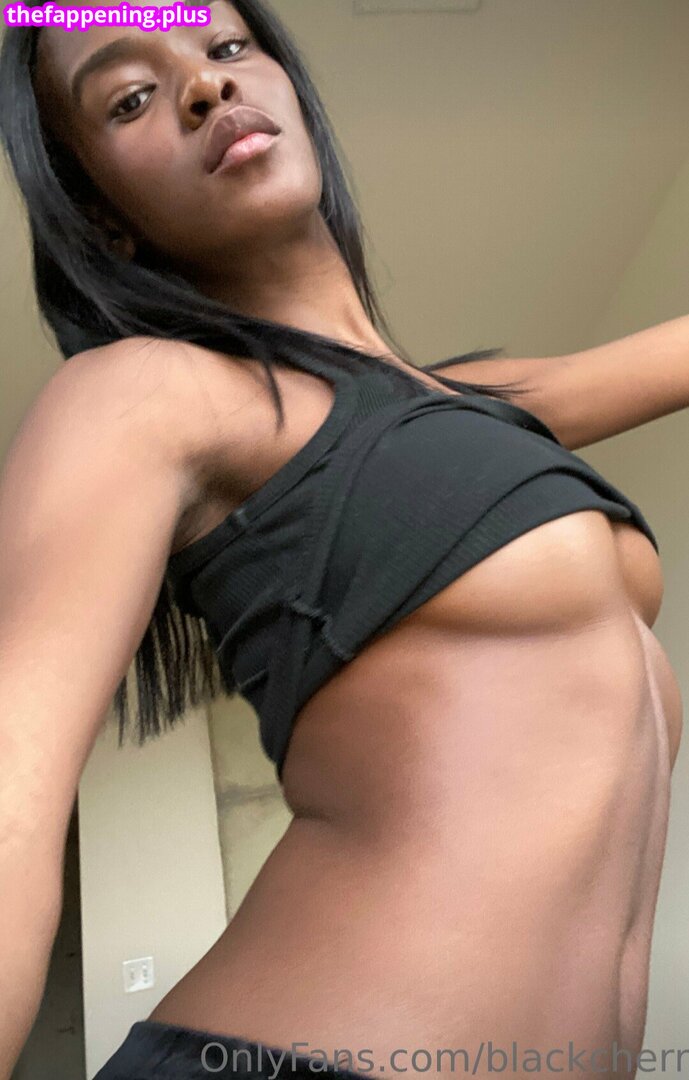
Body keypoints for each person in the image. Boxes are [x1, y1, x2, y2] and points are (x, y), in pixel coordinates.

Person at [0, 1, 685, 1077]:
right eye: (129, 97)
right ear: (99, 217)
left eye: (227, 47)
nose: (206, 85)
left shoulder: (482, 410)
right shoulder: (145, 395)